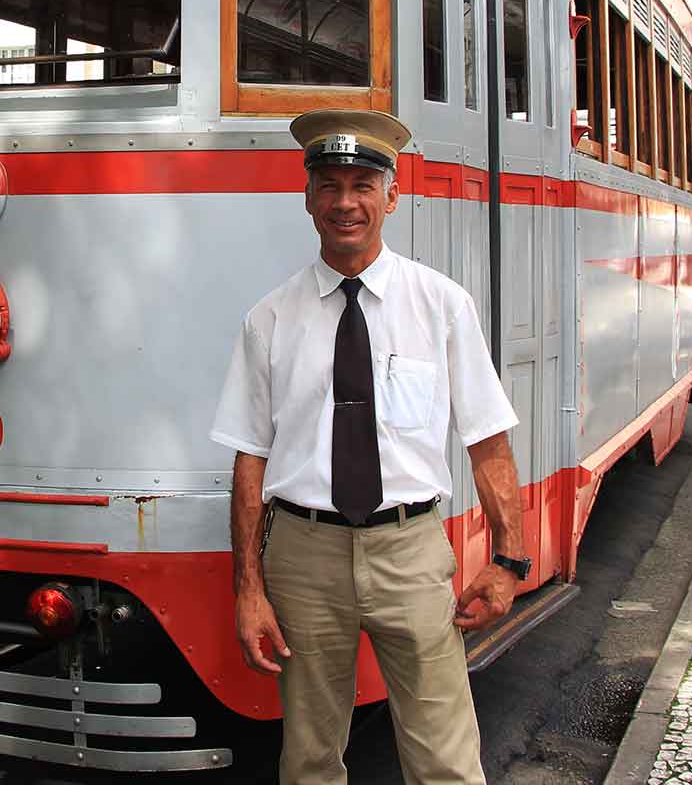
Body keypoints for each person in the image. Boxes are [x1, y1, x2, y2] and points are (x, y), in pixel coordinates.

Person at [211, 109, 526, 785]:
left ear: (391, 194)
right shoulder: (267, 319)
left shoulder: (441, 304)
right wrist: (249, 588)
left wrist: (508, 559)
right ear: (306, 198)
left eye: (362, 183)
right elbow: (248, 457)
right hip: (302, 554)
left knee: (444, 757)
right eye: (329, 185)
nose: (345, 201)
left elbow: (487, 440)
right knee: (309, 760)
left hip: (409, 551)